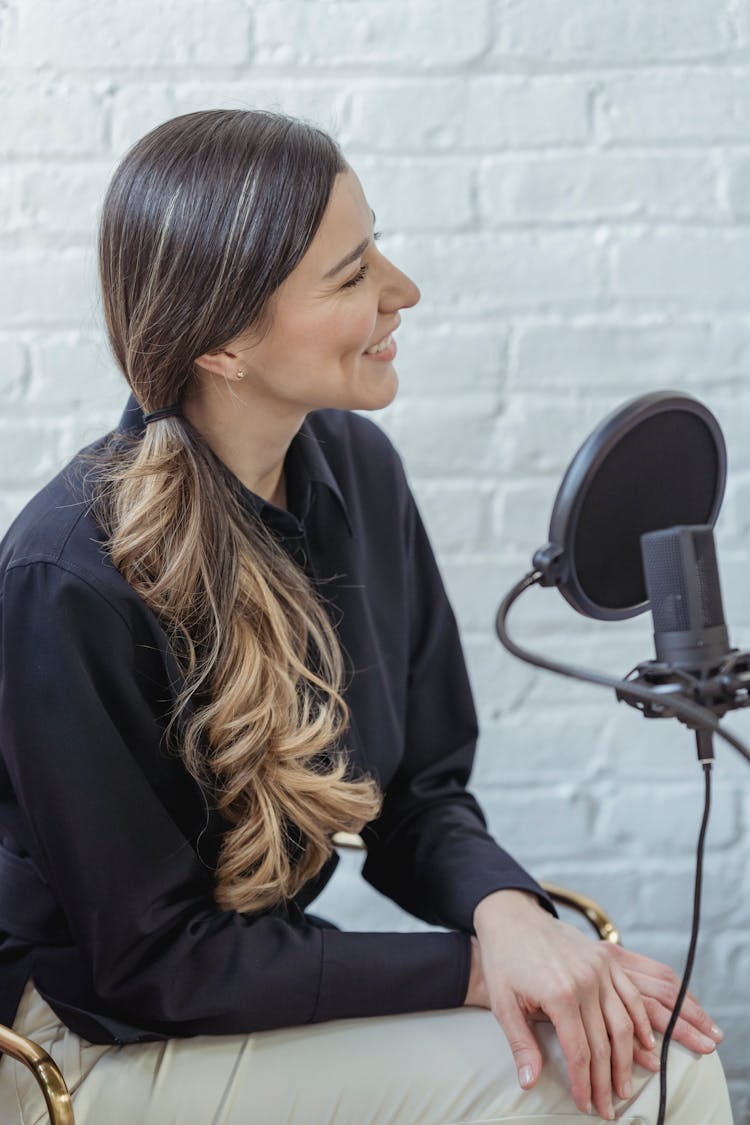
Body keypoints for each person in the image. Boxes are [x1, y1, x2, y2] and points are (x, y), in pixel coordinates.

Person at [0, 109, 733, 1124]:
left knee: (655, 1059)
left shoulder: (356, 471)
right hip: (86, 1044)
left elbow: (421, 797)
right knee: (631, 1085)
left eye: (374, 246)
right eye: (351, 276)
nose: (403, 290)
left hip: (229, 1002)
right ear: (222, 343)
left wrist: (508, 916)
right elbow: (150, 966)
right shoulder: (67, 577)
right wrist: (474, 973)